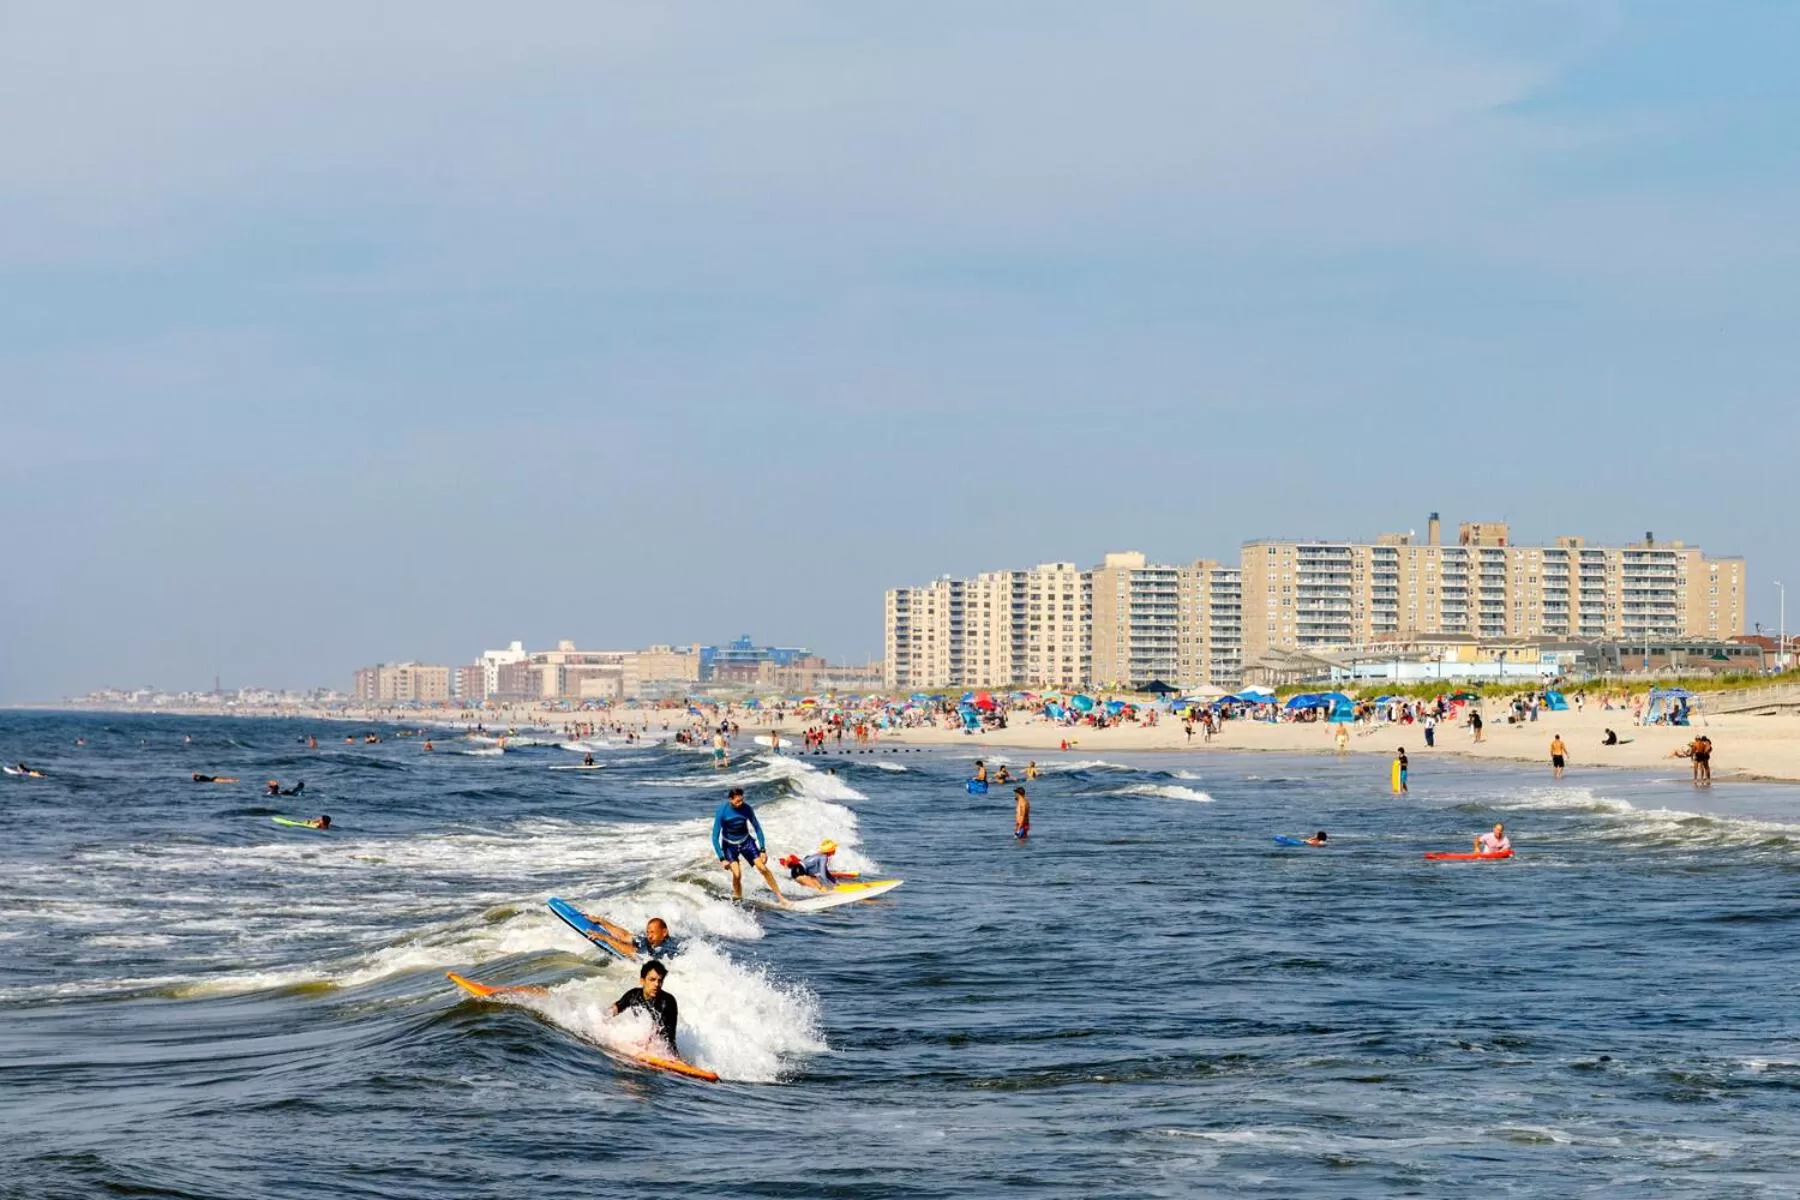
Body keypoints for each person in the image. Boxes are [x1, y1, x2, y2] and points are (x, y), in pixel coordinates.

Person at [711, 787, 788, 905]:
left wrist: (762, 849)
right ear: (730, 799)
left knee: (762, 868)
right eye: (737, 801)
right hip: (729, 845)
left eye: (742, 800)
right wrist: (722, 858)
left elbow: (758, 828)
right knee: (737, 874)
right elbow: (715, 838)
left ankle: (780, 897)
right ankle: (738, 899)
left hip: (746, 841)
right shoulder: (722, 812)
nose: (740, 803)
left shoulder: (746, 809)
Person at [609, 960, 680, 1052]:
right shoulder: (633, 995)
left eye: (660, 981)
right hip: (643, 1042)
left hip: (662, 1047)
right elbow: (614, 1009)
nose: (657, 984)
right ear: (642, 981)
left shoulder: (667, 1001)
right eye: (652, 980)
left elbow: (667, 1038)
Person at [581, 913, 679, 958]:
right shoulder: (651, 941)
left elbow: (630, 952)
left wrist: (605, 938)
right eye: (648, 932)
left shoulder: (665, 951)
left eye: (652, 932)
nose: (649, 935)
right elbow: (625, 936)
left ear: (664, 932)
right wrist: (602, 922)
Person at [780, 840, 861, 892]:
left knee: (819, 887)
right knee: (820, 889)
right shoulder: (824, 857)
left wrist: (835, 883)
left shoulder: (821, 856)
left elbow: (826, 873)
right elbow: (822, 873)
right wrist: (830, 886)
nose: (835, 850)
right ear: (831, 849)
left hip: (798, 870)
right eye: (834, 848)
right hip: (798, 871)